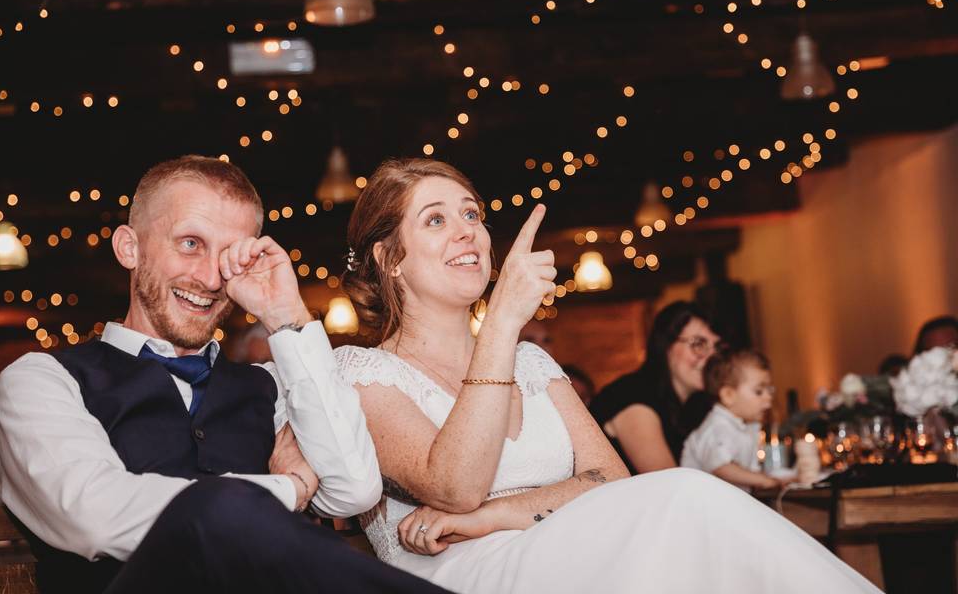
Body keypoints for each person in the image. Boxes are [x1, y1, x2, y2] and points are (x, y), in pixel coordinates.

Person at [334, 157, 881, 593]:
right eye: (436, 219)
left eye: (472, 214)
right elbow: (454, 487)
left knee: (690, 512)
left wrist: (497, 514)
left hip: (574, 555)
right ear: (389, 258)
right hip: (467, 578)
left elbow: (610, 481)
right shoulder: (364, 374)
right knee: (688, 502)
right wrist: (501, 322)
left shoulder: (531, 363)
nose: (467, 233)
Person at [0, 156, 447, 594]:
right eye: (190, 243)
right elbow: (92, 515)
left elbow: (354, 489)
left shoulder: (271, 386)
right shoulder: (41, 380)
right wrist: (288, 489)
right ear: (129, 248)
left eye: (231, 255)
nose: (210, 278)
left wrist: (286, 316)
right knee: (220, 506)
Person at [589, 301, 718, 474]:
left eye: (716, 347)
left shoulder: (697, 404)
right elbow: (669, 485)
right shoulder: (633, 396)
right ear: (666, 346)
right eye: (698, 344)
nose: (711, 357)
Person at [681, 348, 783, 491]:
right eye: (759, 391)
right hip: (703, 505)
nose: (768, 397)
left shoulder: (745, 426)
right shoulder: (717, 427)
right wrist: (761, 480)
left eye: (769, 390)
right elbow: (720, 467)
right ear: (728, 395)